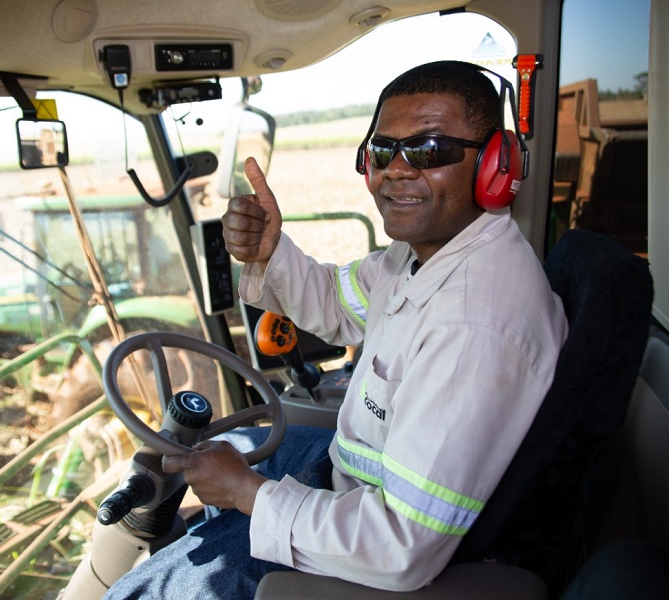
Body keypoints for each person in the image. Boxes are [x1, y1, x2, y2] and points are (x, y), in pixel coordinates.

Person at [104, 60, 568, 599]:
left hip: (380, 541)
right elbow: (338, 305)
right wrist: (269, 252)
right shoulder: (420, 257)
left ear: (495, 164)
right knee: (229, 442)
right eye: (381, 151)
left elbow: (400, 545)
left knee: (139, 594)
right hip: (349, 473)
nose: (396, 169)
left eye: (429, 150)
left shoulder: (474, 327)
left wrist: (248, 492)